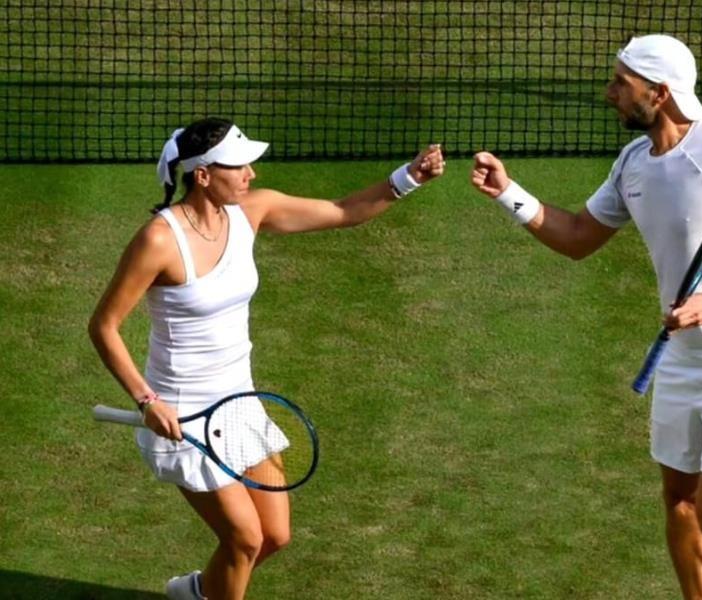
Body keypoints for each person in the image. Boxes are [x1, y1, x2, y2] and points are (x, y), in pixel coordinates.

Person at [470, 35, 702, 600]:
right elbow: (579, 237)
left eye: (620, 84)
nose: (609, 95)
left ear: (660, 92)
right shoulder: (632, 163)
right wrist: (511, 194)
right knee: (679, 504)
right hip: (682, 359)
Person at [88, 117, 444, 600]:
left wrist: (411, 177)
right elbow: (104, 326)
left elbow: (342, 210)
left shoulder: (252, 211)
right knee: (243, 538)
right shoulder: (159, 240)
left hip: (238, 404)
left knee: (274, 537)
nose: (251, 173)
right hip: (183, 412)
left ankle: (195, 593)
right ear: (204, 175)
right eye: (239, 165)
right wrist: (147, 399)